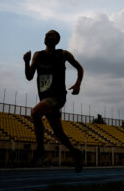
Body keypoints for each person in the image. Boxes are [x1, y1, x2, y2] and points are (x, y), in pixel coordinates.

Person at [23, 29, 84, 172]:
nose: (47, 36)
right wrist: (26, 62)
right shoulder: (38, 55)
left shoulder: (63, 54)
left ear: (57, 40)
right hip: (45, 98)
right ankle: (76, 153)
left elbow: (79, 68)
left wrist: (78, 84)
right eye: (46, 34)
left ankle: (40, 149)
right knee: (59, 134)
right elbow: (29, 76)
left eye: (51, 34)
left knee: (35, 113)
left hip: (58, 97)